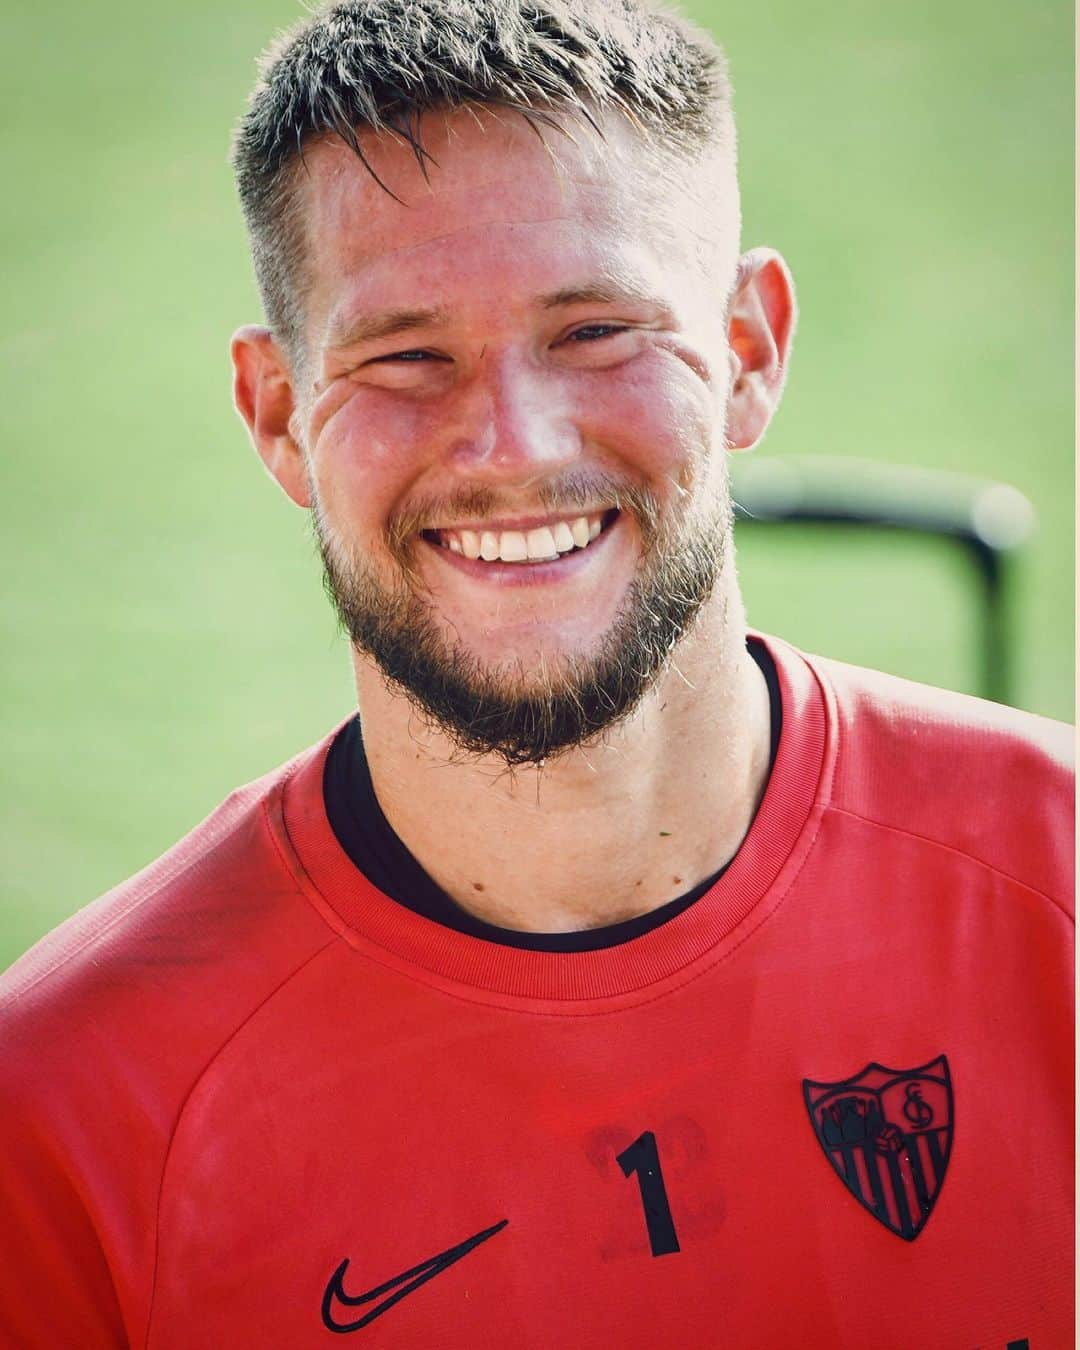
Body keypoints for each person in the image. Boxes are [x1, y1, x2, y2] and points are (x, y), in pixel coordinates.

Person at [0, 1, 1071, 1345]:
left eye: (597, 330)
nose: (510, 440)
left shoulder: (1061, 884)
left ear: (749, 347)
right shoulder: (62, 1116)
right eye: (405, 354)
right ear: (276, 414)